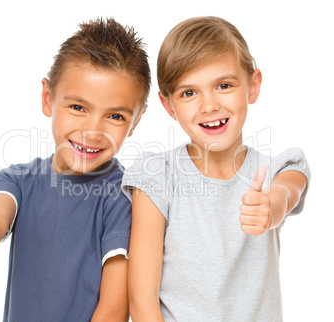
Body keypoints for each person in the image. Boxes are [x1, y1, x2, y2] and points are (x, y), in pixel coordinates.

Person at [0, 17, 150, 322]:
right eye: (78, 108)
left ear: (135, 122)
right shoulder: (18, 180)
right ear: (48, 99)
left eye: (115, 116)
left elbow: (114, 307)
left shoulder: (121, 196)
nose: (93, 131)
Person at [122, 16, 310, 321]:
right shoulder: (156, 175)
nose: (209, 105)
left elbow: (288, 191)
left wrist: (270, 208)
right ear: (169, 106)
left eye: (223, 85)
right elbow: (142, 302)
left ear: (253, 85)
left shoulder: (277, 168)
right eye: (189, 93)